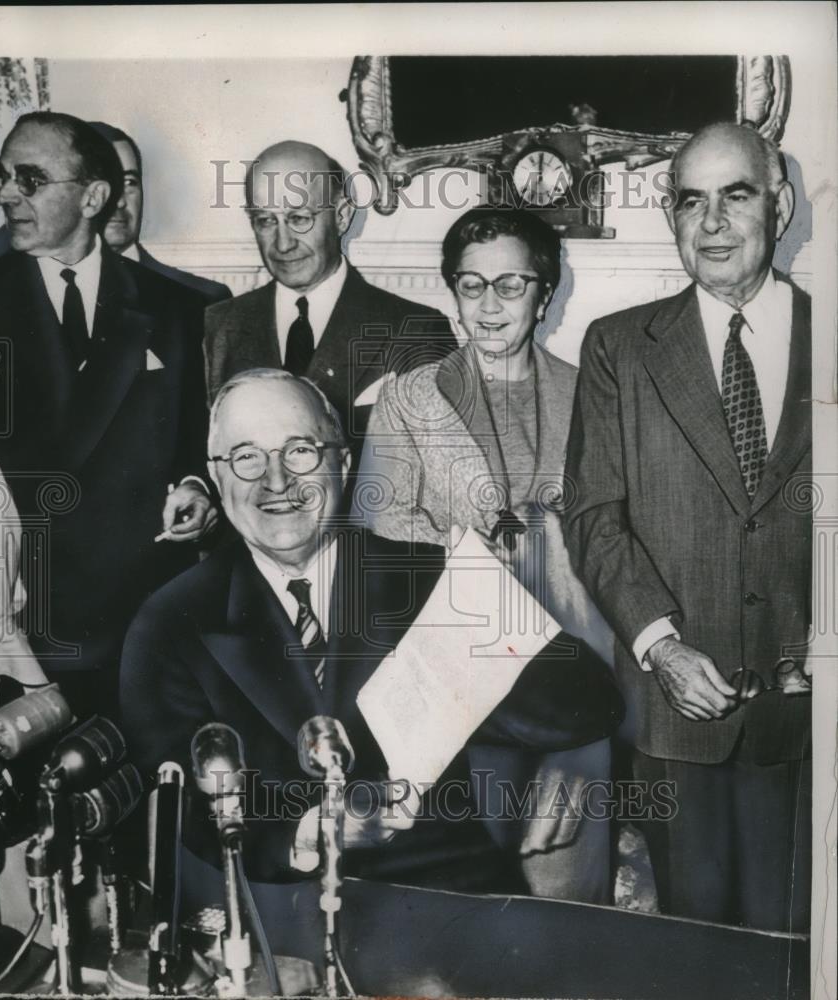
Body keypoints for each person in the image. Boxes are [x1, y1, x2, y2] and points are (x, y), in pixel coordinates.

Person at [119, 369, 622, 906]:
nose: (276, 481)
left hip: (441, 895)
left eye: (301, 451)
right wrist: (309, 833)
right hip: (270, 904)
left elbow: (587, 701)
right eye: (246, 457)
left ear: (344, 462)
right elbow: (177, 809)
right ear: (217, 481)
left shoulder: (427, 576)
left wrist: (561, 750)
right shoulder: (169, 620)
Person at [564, 122, 811, 932]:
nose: (711, 223)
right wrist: (659, 645)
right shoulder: (618, 349)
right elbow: (595, 517)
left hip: (814, 720)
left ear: (779, 202)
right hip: (678, 719)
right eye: (689, 202)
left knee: (806, 950)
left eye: (734, 196)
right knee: (696, 953)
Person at [352, 205, 619, 904]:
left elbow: (610, 556)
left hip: (575, 686)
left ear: (545, 290)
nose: (490, 306)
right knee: (468, 911)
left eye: (510, 284)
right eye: (471, 286)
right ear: (452, 292)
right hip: (455, 703)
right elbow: (384, 561)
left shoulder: (593, 395)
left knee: (566, 909)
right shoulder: (410, 401)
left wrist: (579, 741)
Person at [0, 111, 216, 722]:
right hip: (29, 627)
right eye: (4, 176)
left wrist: (198, 488)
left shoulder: (181, 307)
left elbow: (198, 441)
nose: (5, 193)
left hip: (149, 615)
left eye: (30, 178)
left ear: (93, 197)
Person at [202, 141, 457, 465]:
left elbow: (439, 471)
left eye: (299, 218)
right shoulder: (221, 325)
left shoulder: (415, 330)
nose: (283, 244)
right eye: (266, 221)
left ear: (342, 216)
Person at [88, 121, 233, 304]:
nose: (120, 201)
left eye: (129, 182)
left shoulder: (202, 298)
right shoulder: (44, 294)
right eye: (106, 182)